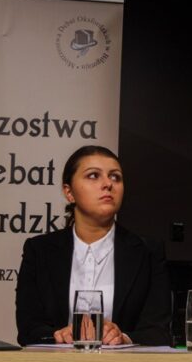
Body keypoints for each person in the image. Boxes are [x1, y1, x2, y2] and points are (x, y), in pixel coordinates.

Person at [15, 145, 171, 346]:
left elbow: (159, 332)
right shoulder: (39, 250)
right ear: (69, 192)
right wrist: (59, 335)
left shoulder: (148, 252)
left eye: (115, 177)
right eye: (93, 176)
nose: (108, 184)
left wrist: (123, 338)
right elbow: (28, 329)